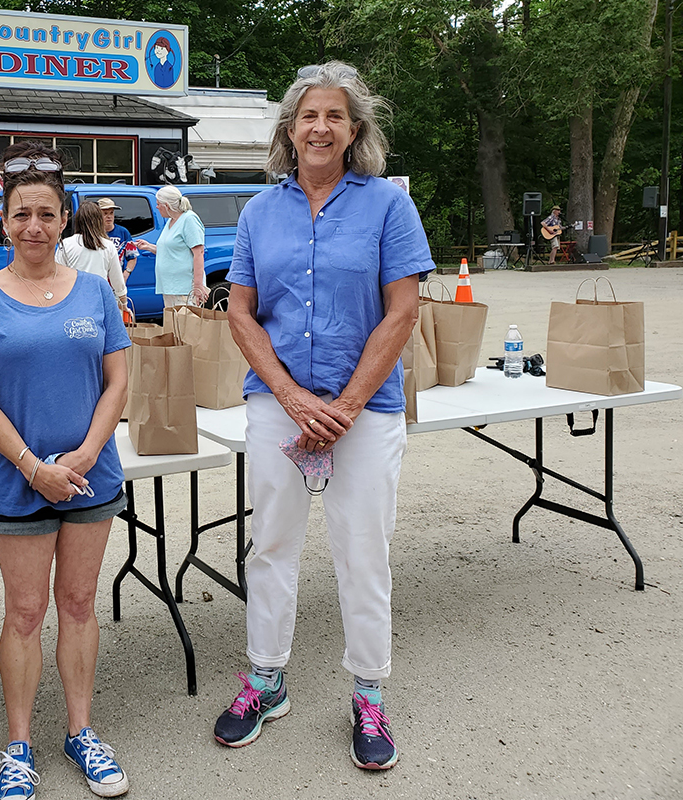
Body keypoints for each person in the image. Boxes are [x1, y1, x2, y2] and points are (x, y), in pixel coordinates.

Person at [216, 61, 432, 772]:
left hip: (363, 413)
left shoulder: (387, 208)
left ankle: (368, 693)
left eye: (335, 115)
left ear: (355, 130)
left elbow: (403, 310)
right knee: (271, 546)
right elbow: (241, 312)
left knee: (361, 552)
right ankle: (265, 681)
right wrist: (290, 397)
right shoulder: (258, 212)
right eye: (309, 115)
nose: (320, 126)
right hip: (279, 405)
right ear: (289, 128)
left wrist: (340, 407)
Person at [0, 142, 132, 800]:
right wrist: (33, 467)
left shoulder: (94, 291)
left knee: (79, 605)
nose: (33, 225)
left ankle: (81, 731)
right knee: (25, 613)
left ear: (65, 221)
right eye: (21, 213)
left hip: (91, 476)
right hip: (16, 480)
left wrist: (83, 455)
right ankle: (19, 744)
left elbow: (117, 381)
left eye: (46, 213)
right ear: (4, 220)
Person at [134, 185, 209, 308]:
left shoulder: (189, 219)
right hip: (170, 286)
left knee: (186, 325)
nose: (157, 207)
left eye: (158, 204)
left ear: (166, 205)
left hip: (184, 288)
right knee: (173, 325)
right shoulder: (171, 220)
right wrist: (148, 247)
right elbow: (171, 251)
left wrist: (198, 286)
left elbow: (199, 253)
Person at [60, 200, 128, 308]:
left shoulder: (65, 245)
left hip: (73, 301)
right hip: (100, 300)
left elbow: (56, 276)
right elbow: (117, 281)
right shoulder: (108, 246)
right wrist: (123, 302)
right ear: (99, 220)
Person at [96, 198, 139, 284]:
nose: (109, 216)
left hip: (116, 283)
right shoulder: (94, 233)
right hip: (98, 281)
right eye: (105, 213)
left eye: (111, 213)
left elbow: (132, 257)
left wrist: (125, 274)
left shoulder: (123, 232)